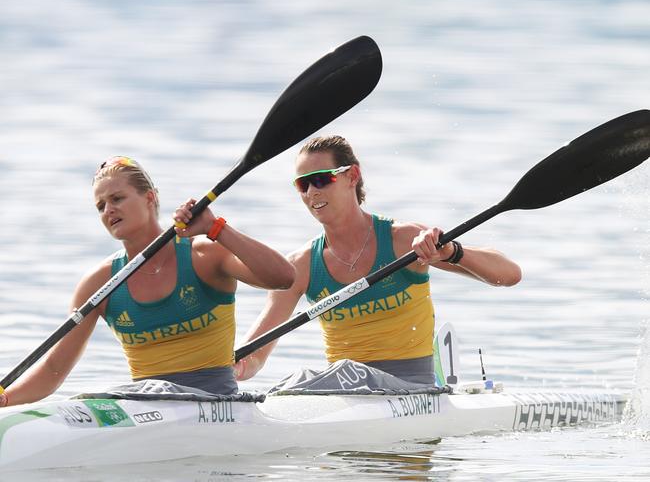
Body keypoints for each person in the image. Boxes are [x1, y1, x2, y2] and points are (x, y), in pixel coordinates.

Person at [0, 156, 294, 407]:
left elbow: (283, 277)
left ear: (149, 198)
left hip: (216, 401)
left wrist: (216, 228)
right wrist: (6, 399)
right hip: (146, 406)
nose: (108, 211)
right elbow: (53, 369)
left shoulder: (204, 256)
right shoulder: (99, 283)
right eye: (100, 206)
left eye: (116, 199)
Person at [234, 136, 521, 385]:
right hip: (341, 389)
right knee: (300, 380)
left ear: (352, 176)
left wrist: (450, 252)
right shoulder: (300, 265)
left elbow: (509, 274)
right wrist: (236, 367)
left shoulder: (403, 240)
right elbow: (255, 354)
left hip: (412, 387)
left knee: (319, 379)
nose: (312, 192)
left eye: (321, 179)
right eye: (302, 184)